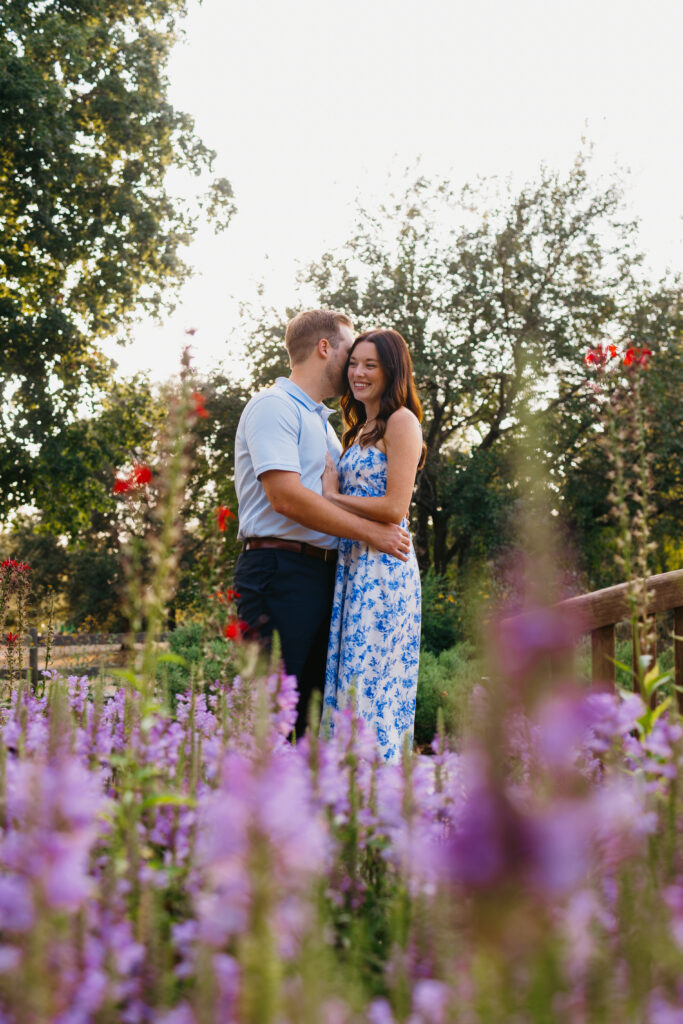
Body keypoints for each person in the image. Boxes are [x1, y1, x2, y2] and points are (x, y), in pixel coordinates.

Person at [233, 310, 411, 736]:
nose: (355, 367)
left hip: (326, 576)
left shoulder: (326, 425)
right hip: (279, 574)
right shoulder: (273, 407)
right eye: (351, 353)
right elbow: (286, 497)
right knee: (272, 720)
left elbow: (354, 498)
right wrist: (375, 534)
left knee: (312, 724)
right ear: (324, 348)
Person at [321, 328, 426, 762]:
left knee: (371, 687)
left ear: (391, 371)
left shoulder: (402, 421)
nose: (359, 373)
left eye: (371, 365)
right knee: (350, 684)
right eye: (354, 363)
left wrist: (329, 497)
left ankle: (377, 802)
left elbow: (394, 506)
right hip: (355, 567)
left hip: (385, 569)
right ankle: (346, 802)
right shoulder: (360, 429)